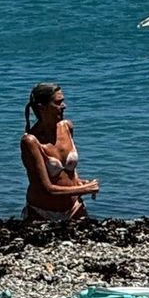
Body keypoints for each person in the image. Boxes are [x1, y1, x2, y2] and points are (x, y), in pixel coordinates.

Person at [19, 82, 99, 223]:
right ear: (42, 107)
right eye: (58, 103)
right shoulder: (31, 141)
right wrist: (85, 189)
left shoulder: (67, 127)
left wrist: (79, 182)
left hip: (74, 208)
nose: (64, 106)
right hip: (42, 213)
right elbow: (47, 189)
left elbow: (70, 172)